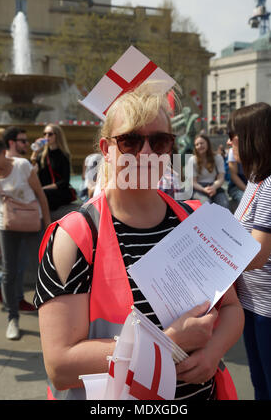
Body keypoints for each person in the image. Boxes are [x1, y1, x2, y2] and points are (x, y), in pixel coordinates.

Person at [34, 82, 244, 400]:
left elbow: (231, 309)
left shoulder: (194, 220)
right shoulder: (75, 237)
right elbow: (60, 366)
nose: (145, 154)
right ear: (106, 149)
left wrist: (213, 351)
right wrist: (166, 344)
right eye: (130, 141)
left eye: (159, 141)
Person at [227, 102, 271, 400]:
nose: (228, 141)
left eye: (232, 134)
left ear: (252, 137)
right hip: (252, 301)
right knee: (260, 382)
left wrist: (212, 262)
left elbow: (258, 254)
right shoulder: (256, 178)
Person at [0, 137, 50, 340]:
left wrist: (49, 227)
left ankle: (50, 317)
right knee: (8, 273)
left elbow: (41, 195)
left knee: (43, 268)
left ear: (4, 152)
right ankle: (12, 319)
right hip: (6, 226)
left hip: (33, 223)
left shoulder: (22, 166)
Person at [0, 127, 36, 312]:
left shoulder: (21, 164)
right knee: (14, 267)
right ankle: (11, 300)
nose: (27, 143)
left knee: (18, 265)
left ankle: (13, 298)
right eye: (23, 141)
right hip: (8, 222)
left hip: (22, 220)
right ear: (11, 143)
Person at [31, 124, 74, 211]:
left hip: (59, 192)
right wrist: (35, 152)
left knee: (43, 194)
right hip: (44, 191)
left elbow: (65, 181)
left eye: (50, 134)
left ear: (57, 136)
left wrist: (43, 189)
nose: (46, 136)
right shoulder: (42, 155)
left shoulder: (63, 156)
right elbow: (32, 171)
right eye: (45, 134)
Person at [189, 134, 229, 208]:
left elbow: (221, 178)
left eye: (202, 143)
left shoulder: (218, 158)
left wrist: (213, 187)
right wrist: (204, 189)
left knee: (224, 204)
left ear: (207, 143)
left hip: (215, 186)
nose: (199, 146)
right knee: (206, 205)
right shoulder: (192, 160)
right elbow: (193, 182)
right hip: (199, 188)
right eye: (197, 144)